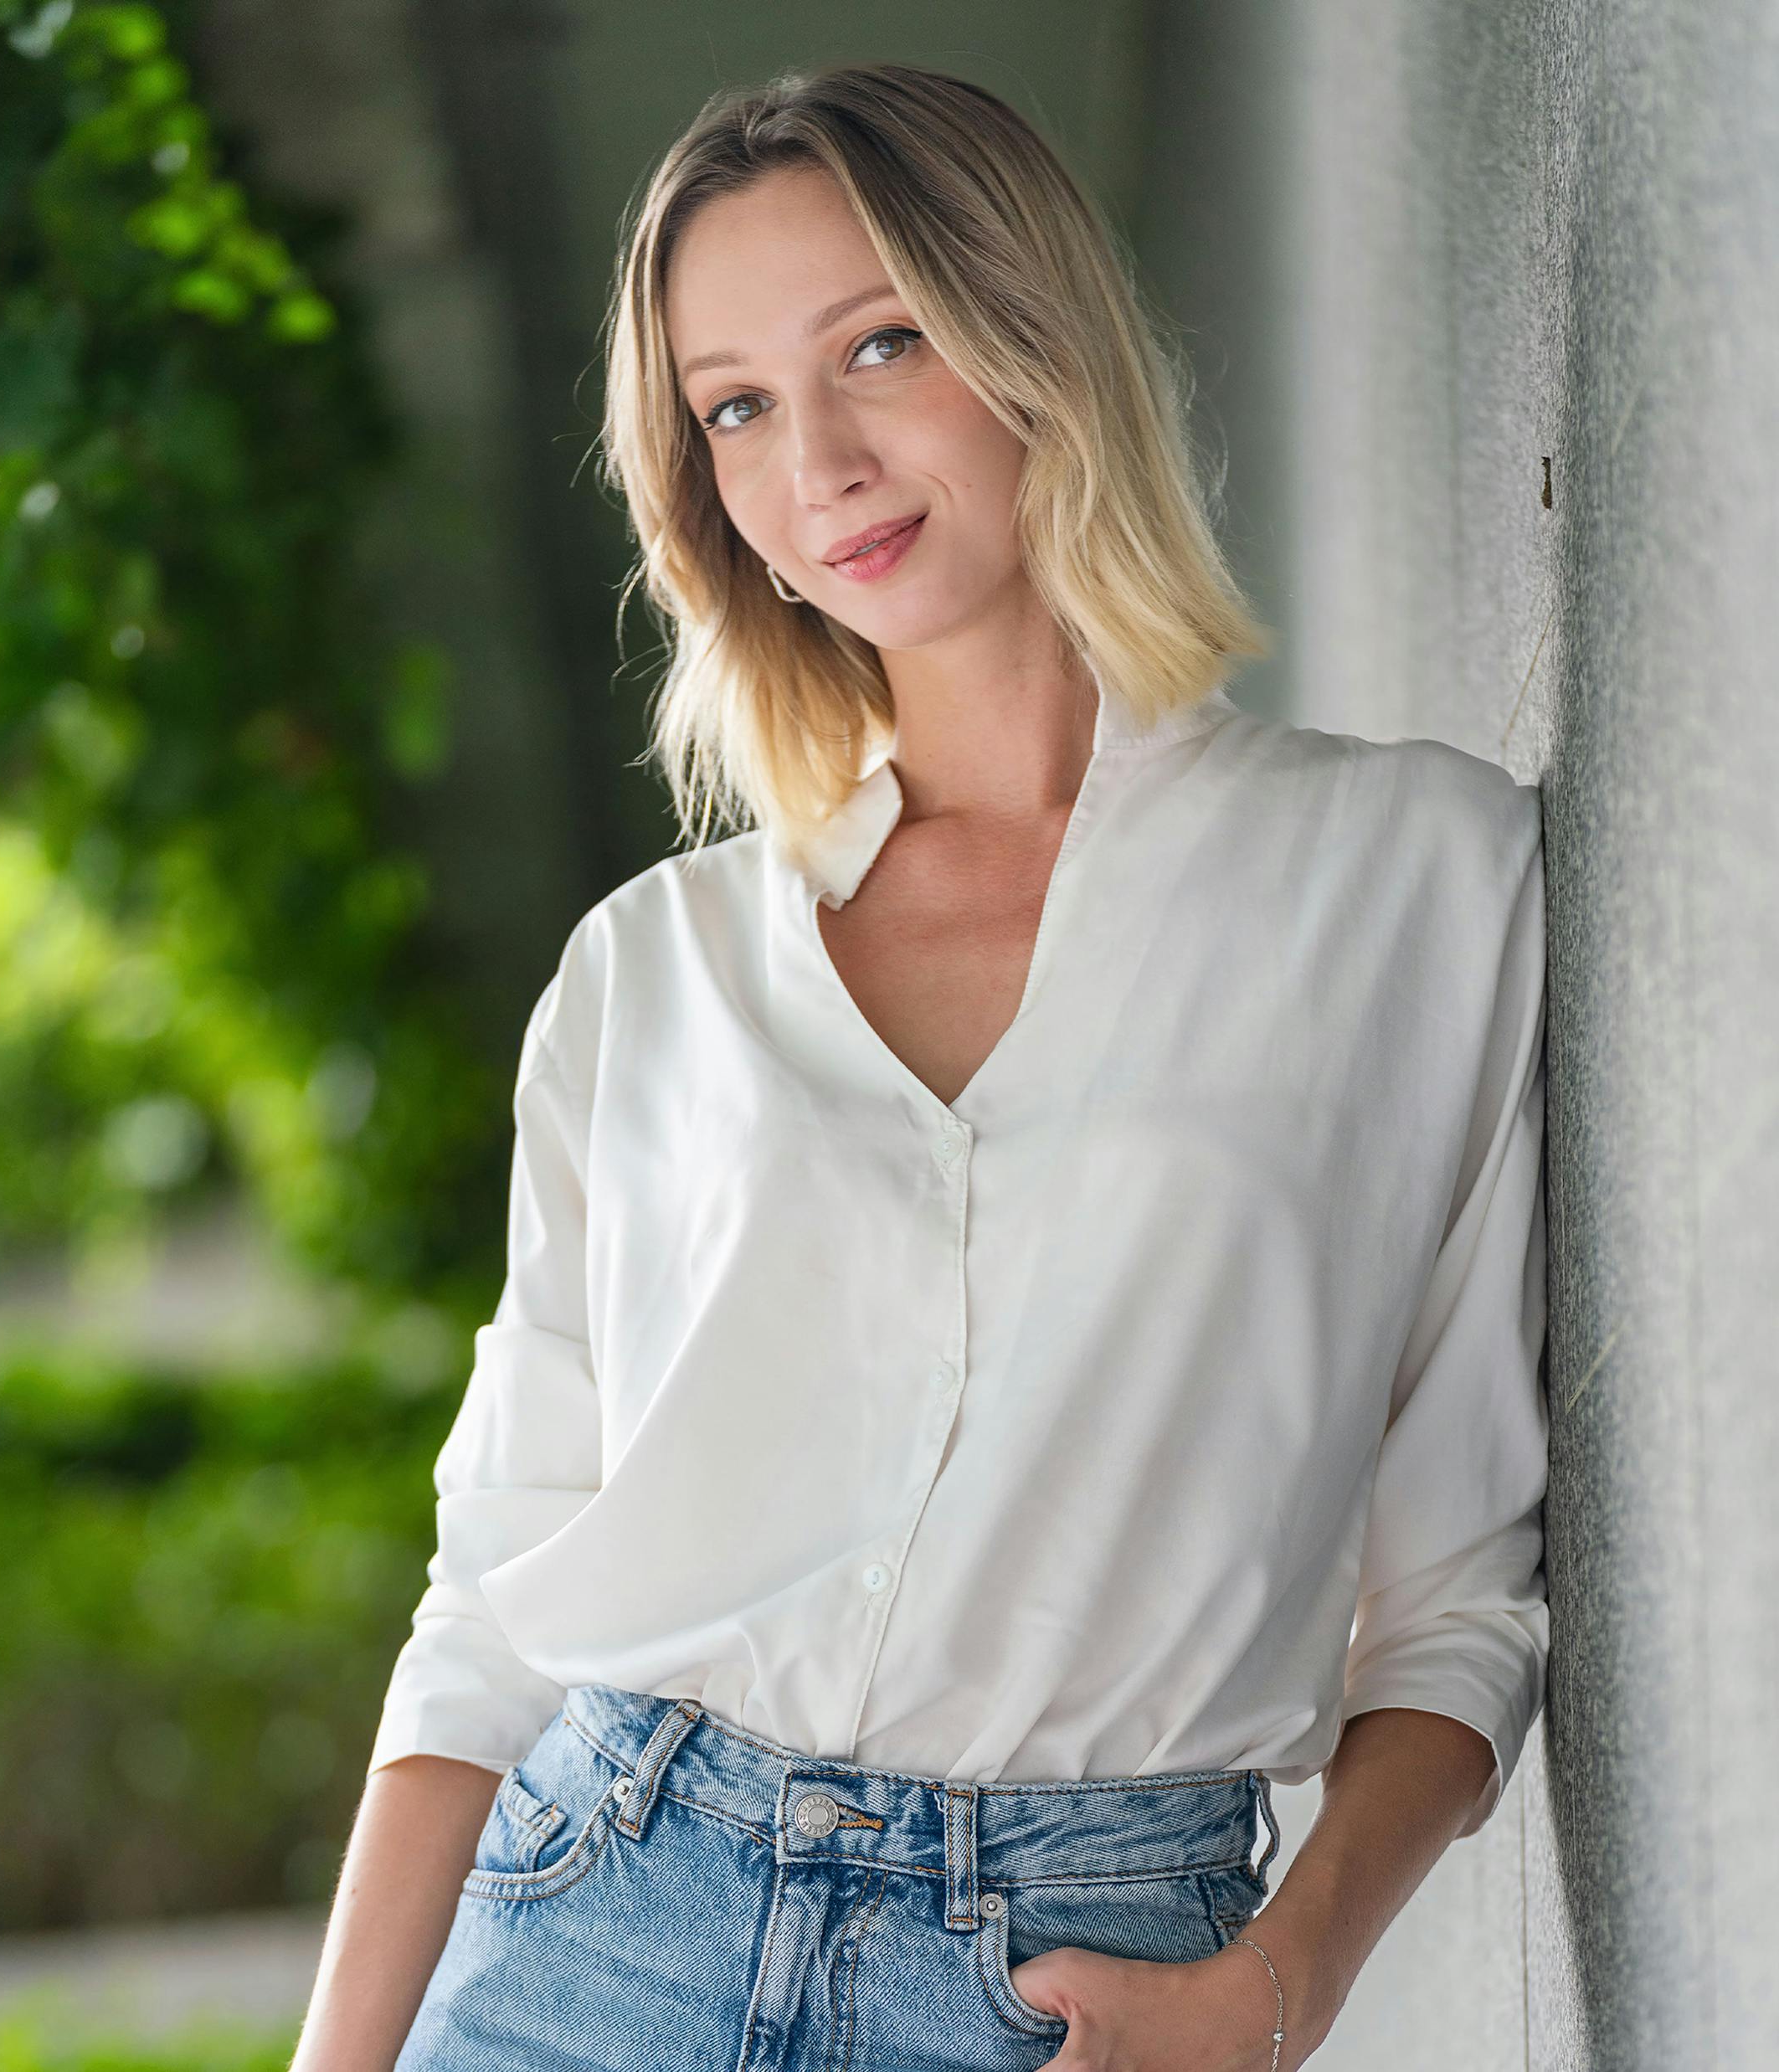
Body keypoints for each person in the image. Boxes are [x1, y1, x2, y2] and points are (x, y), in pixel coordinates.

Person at [291, 60, 1550, 2072]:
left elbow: (1463, 1590)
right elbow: (490, 1610)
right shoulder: (653, 976)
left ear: (1031, 334)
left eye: (878, 342)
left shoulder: (1415, 884)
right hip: (595, 1923)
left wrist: (1280, 1988)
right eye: (736, 406)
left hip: (1072, 1979)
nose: (820, 461)